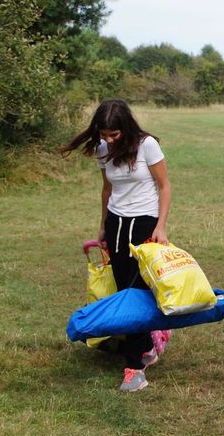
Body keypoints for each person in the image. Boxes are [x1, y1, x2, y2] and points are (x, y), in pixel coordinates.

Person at [60, 99, 172, 392]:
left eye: (114, 134)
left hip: (144, 224)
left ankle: (135, 369)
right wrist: (102, 225)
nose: (108, 140)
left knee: (135, 293)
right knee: (124, 291)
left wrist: (161, 227)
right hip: (116, 224)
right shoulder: (102, 149)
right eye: (104, 134)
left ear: (126, 128)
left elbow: (164, 186)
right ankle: (146, 347)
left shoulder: (147, 145)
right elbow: (107, 189)